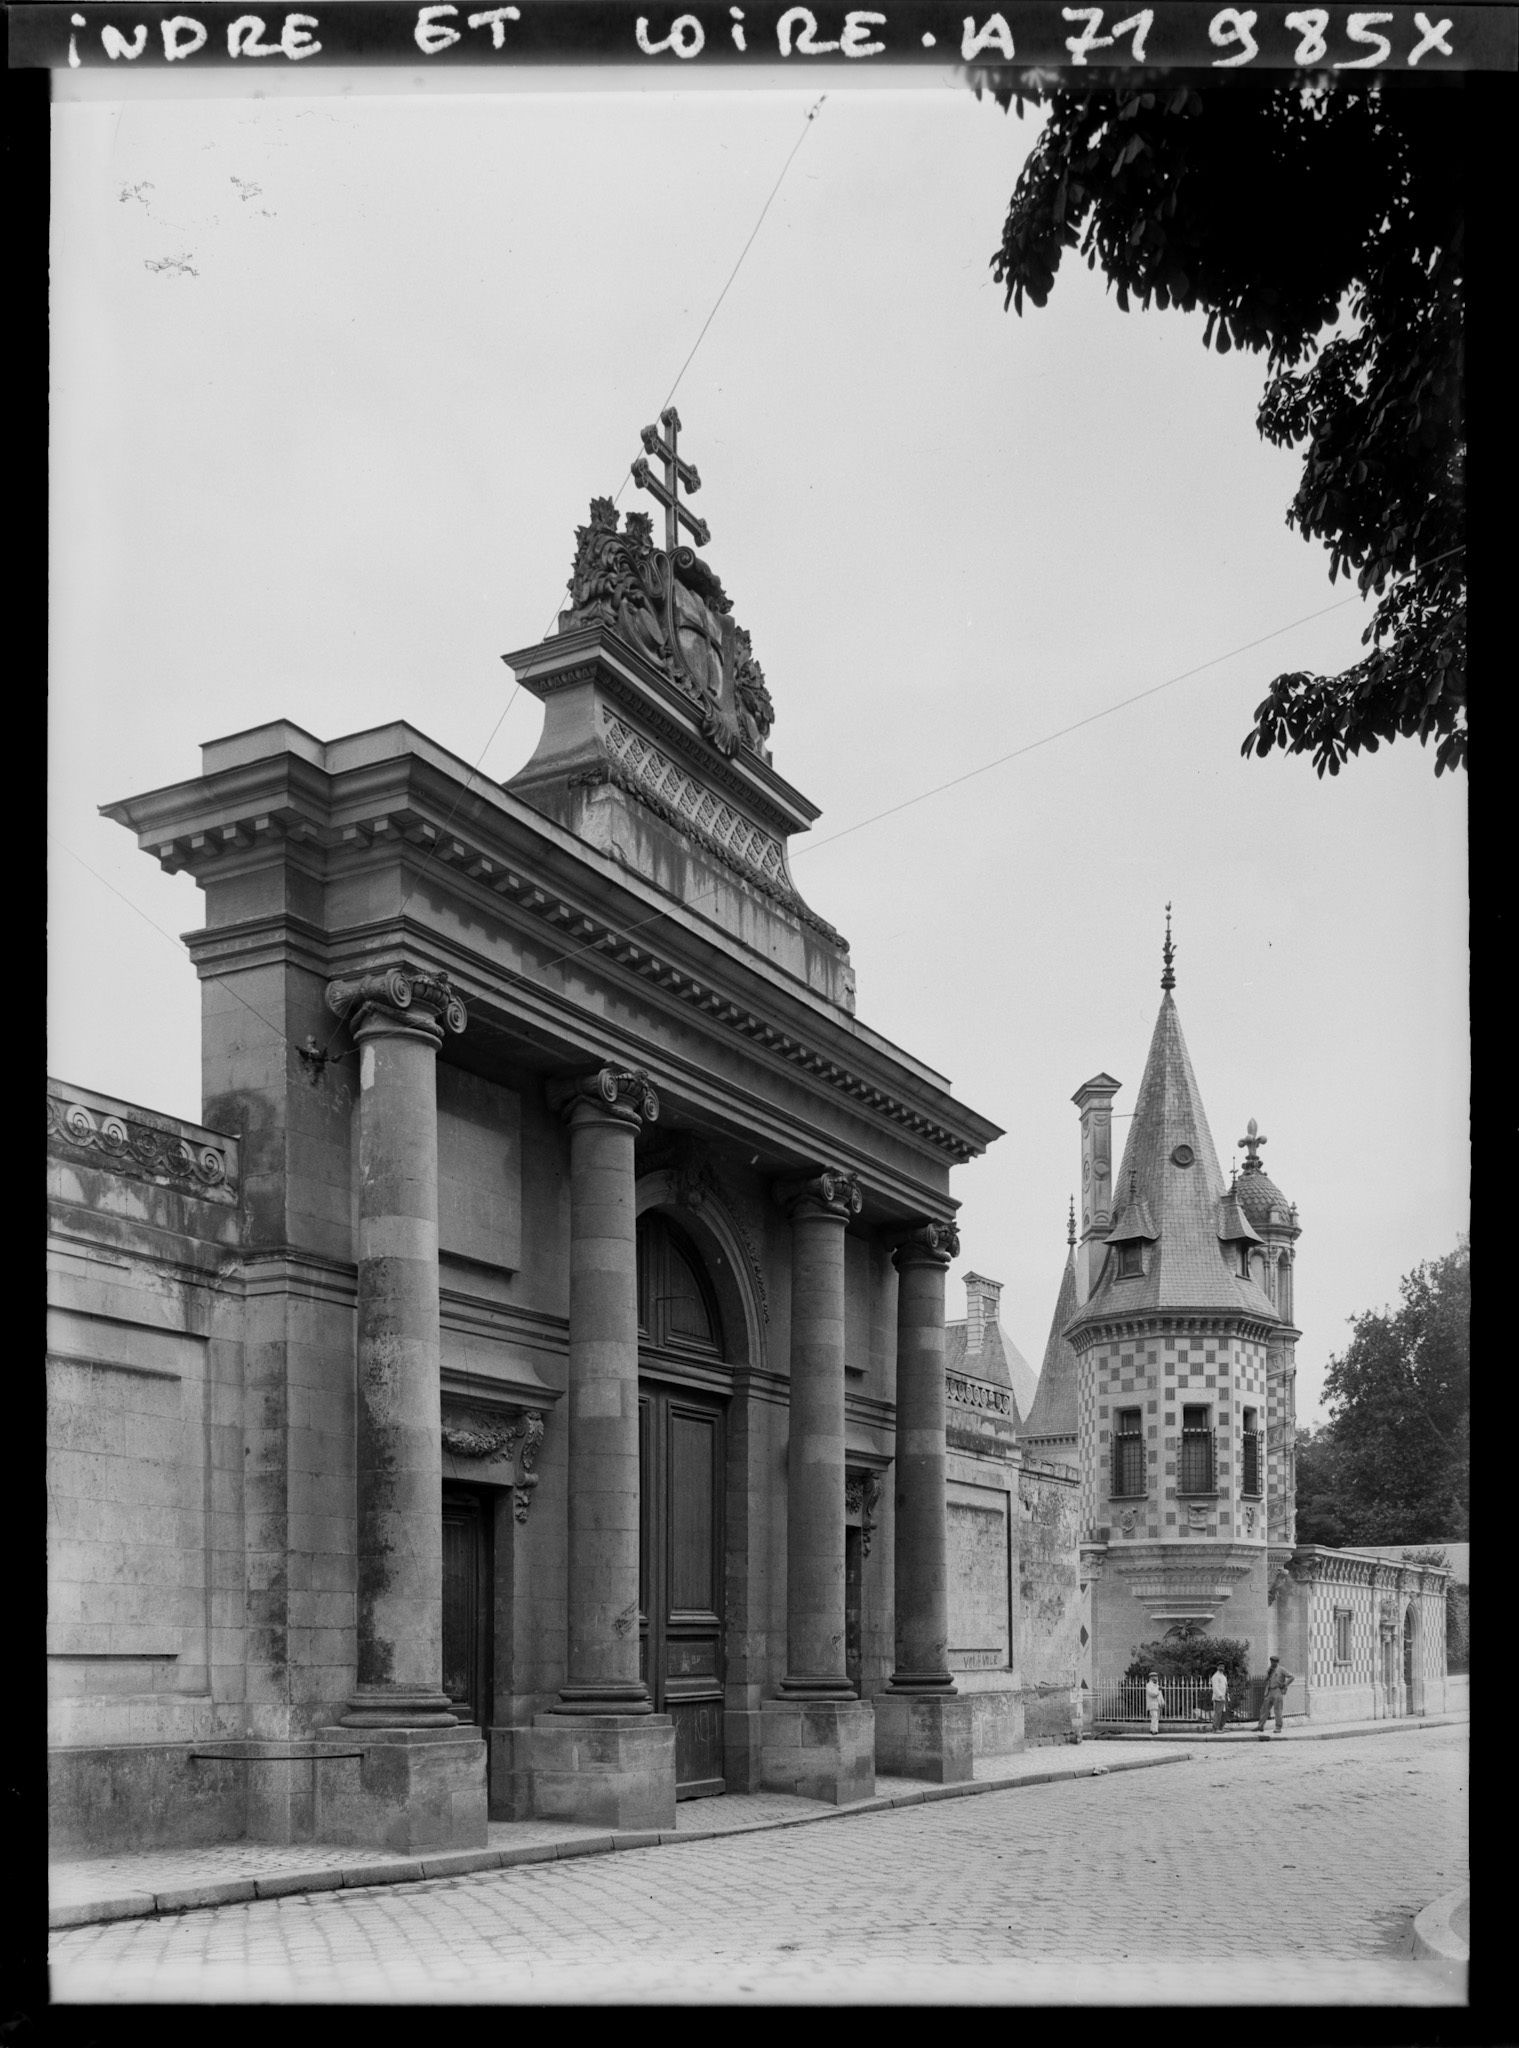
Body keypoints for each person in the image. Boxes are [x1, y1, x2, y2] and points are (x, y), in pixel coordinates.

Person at [1257, 1655, 1296, 1733]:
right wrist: (1268, 1674)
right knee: (1264, 1709)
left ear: (1277, 1662)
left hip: (1277, 1690)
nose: (1272, 1663)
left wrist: (1285, 1684)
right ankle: (1260, 1726)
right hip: (1269, 1690)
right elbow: (1265, 1679)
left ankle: (1278, 1727)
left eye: (1273, 1662)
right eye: (1271, 1661)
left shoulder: (1281, 1669)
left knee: (1277, 1710)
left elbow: (1292, 1677)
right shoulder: (1269, 1669)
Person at [1210, 1664, 1230, 1733]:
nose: (1222, 1668)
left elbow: (1226, 1687)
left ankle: (1221, 1727)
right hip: (1219, 1698)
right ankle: (1215, 1728)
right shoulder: (1215, 1676)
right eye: (1220, 1666)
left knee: (1224, 1713)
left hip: (1225, 1697)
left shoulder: (1224, 1677)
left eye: (1223, 1666)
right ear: (1217, 1667)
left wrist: (1227, 1696)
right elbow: (1215, 1688)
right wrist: (1220, 1695)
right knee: (1218, 1713)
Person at [1144, 1670, 1164, 1735]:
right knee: (1154, 1717)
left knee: (1156, 1717)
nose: (1156, 1678)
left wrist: (1162, 1702)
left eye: (1156, 1676)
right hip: (1152, 1704)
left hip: (1157, 1704)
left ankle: (1153, 1729)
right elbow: (1152, 1694)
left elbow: (1160, 1695)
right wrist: (1158, 1690)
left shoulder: (1157, 1685)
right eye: (1154, 1676)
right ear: (1151, 1678)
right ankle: (1154, 1730)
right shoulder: (1149, 1685)